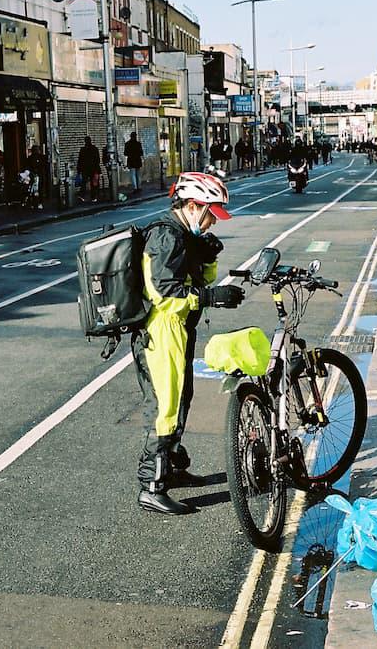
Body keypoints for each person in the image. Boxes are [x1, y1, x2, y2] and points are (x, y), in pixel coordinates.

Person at [133, 172, 245, 515]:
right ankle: (151, 487)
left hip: (179, 329)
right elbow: (165, 295)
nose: (213, 221)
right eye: (210, 213)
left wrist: (208, 256)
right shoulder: (166, 237)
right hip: (161, 330)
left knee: (183, 398)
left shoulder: (184, 234)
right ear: (194, 205)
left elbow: (199, 278)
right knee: (165, 408)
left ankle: (173, 470)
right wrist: (210, 297)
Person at [77, 136, 102, 202]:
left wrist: (79, 170)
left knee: (84, 183)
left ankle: (82, 196)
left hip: (85, 169)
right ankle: (93, 197)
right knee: (93, 183)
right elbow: (98, 160)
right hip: (93, 169)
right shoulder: (95, 149)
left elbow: (80, 160)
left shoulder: (82, 149)